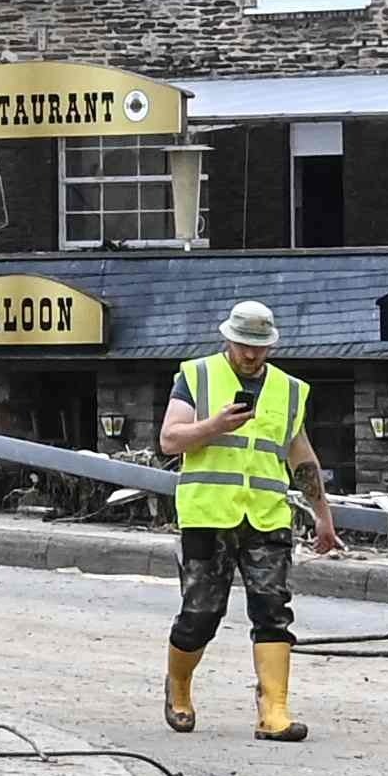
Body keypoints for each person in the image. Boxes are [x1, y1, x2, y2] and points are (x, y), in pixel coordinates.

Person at [156, 298, 342, 741]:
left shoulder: (288, 390)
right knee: (201, 614)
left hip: (266, 516)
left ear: (271, 346)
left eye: (259, 347)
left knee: (273, 612)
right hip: (208, 514)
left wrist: (323, 516)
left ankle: (273, 711)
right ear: (228, 339)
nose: (250, 354)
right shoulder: (196, 376)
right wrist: (214, 425)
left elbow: (302, 458)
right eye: (243, 345)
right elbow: (169, 439)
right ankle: (179, 686)